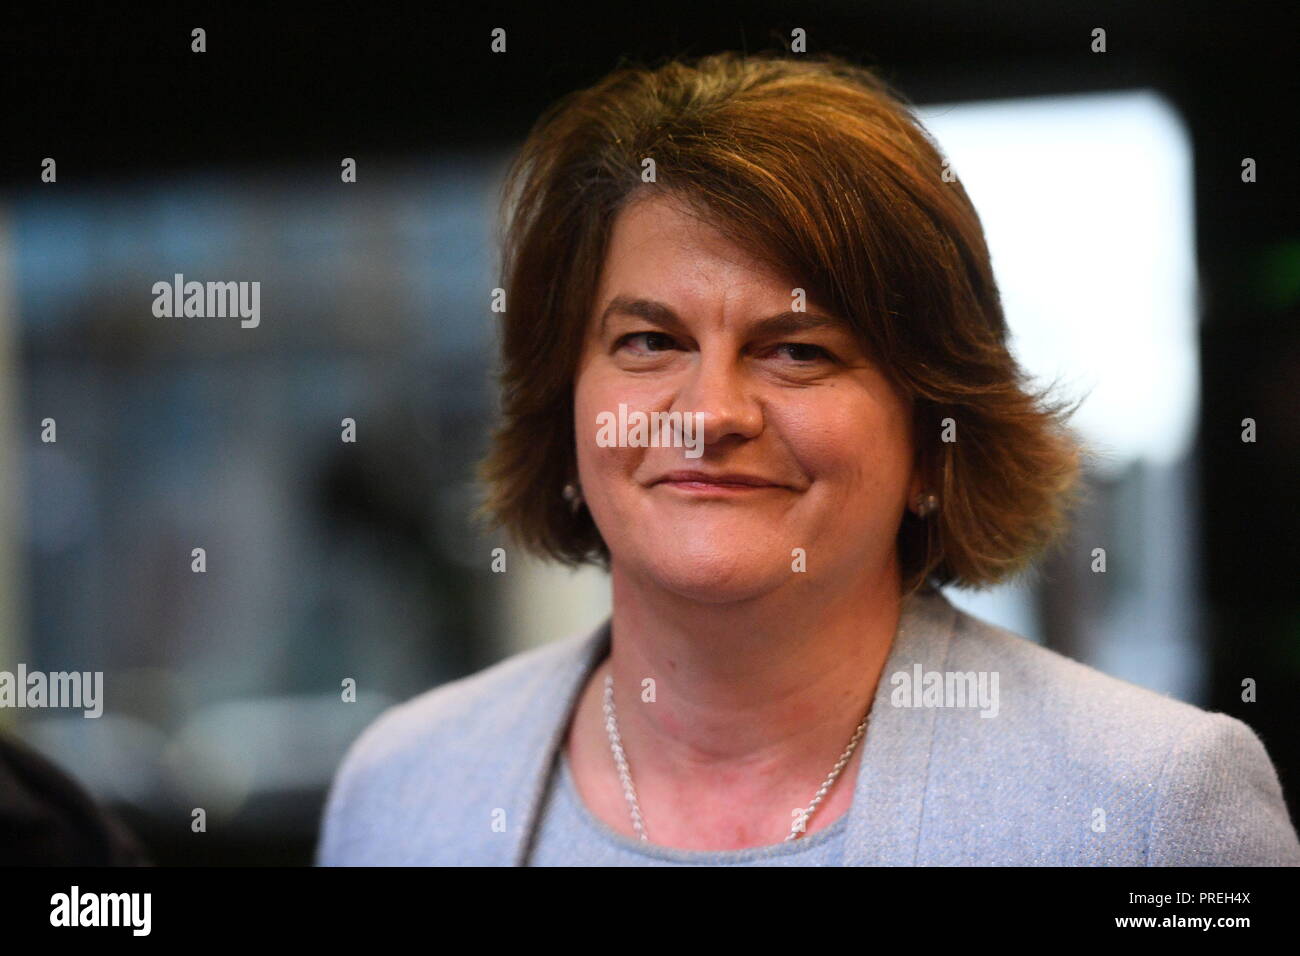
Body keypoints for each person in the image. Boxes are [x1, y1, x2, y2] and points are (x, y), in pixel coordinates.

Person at [316, 51, 1300, 865]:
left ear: (931, 433)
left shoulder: (1149, 808)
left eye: (797, 350)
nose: (709, 412)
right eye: (649, 342)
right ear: (562, 408)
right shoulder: (400, 789)